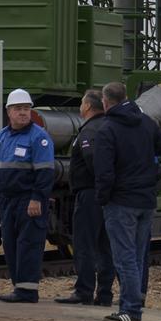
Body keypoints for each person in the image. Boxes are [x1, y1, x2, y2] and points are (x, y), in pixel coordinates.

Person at [95, 80, 161, 321]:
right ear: (126, 97)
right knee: (137, 256)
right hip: (146, 200)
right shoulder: (146, 123)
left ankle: (130, 310)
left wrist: (102, 198)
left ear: (105, 102)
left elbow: (104, 172)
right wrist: (149, 163)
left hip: (121, 200)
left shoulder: (107, 129)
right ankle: (133, 304)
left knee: (124, 257)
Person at [0, 88, 56, 304]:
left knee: (28, 243)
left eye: (27, 108)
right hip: (7, 200)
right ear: (8, 111)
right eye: (18, 109)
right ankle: (18, 286)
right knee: (10, 243)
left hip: (28, 199)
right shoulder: (2, 135)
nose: (23, 113)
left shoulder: (39, 137)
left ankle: (28, 290)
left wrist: (37, 198)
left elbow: (46, 171)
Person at [55, 88, 116, 307]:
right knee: (104, 245)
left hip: (90, 194)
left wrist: (99, 188)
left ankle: (84, 290)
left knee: (85, 244)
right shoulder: (108, 126)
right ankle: (105, 293)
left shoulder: (90, 131)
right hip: (105, 194)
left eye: (81, 102)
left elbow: (93, 160)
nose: (80, 106)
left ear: (88, 106)